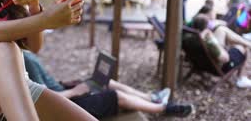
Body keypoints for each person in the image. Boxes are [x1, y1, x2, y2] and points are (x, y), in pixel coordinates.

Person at [23, 50, 195, 118]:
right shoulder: (22, 57)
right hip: (63, 104)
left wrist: (71, 86)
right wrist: (75, 91)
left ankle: (151, 97)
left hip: (64, 92)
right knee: (115, 97)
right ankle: (164, 109)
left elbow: (42, 86)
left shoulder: (23, 54)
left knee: (106, 81)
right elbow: (38, 97)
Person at [189, 14, 251, 88]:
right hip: (220, 66)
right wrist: (215, 41)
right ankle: (242, 78)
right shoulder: (209, 40)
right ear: (208, 26)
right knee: (243, 47)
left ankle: (247, 43)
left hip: (203, 62)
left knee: (221, 29)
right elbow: (225, 58)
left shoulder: (191, 37)